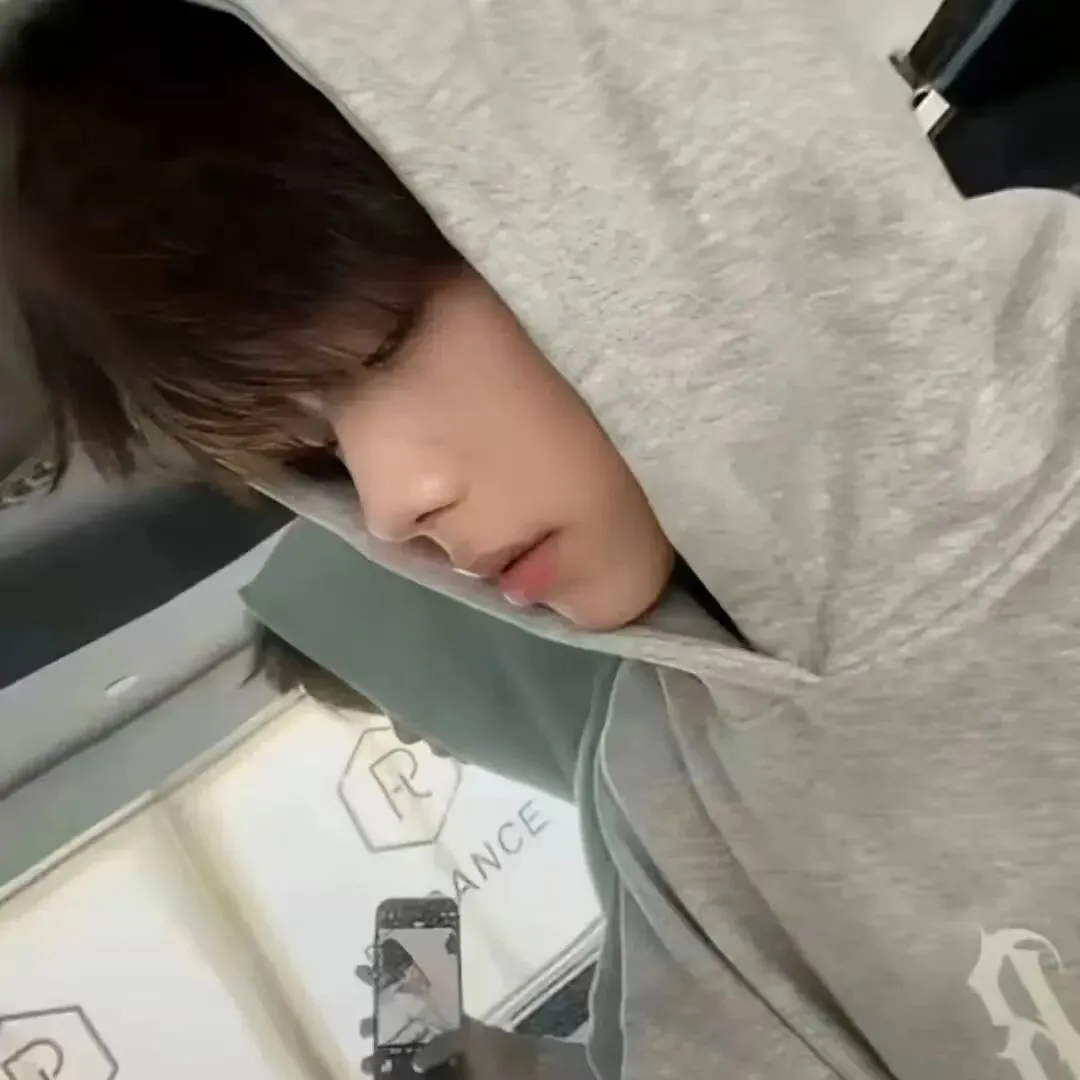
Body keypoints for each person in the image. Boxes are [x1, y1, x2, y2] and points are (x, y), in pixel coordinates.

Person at [4, 2, 1080, 1079]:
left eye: (384, 344)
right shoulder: (672, 794)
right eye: (315, 454)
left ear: (621, 160)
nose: (389, 505)